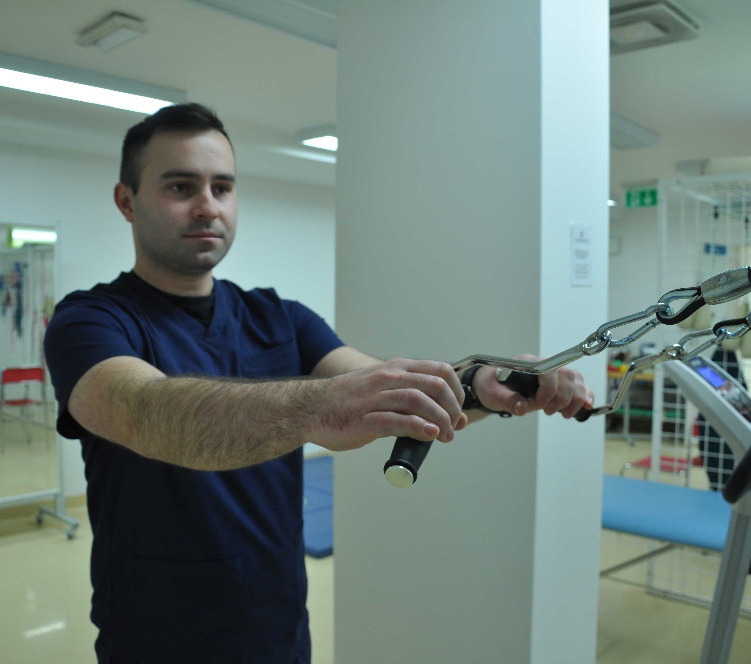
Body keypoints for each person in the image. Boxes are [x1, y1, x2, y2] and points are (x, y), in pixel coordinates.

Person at [44, 102, 594, 663]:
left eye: (223, 187)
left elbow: (385, 392)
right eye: (181, 187)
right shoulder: (89, 322)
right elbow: (144, 410)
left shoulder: (280, 317)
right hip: (153, 640)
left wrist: (482, 385)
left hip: (278, 631)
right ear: (127, 201)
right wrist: (318, 409)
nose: (208, 206)